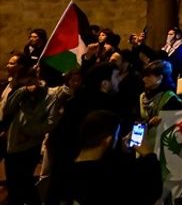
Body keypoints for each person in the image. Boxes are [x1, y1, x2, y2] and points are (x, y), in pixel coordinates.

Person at [48, 109, 162, 205]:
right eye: (116, 136)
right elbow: (150, 192)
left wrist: (123, 151)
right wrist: (149, 155)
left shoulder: (61, 171)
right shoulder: (109, 177)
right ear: (108, 140)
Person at [3, 55, 49, 205]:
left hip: (23, 141)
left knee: (22, 180)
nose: (8, 65)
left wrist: (24, 90)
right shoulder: (12, 84)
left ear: (21, 67)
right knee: (16, 179)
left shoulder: (32, 88)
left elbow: (13, 110)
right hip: (10, 136)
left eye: (12, 63)